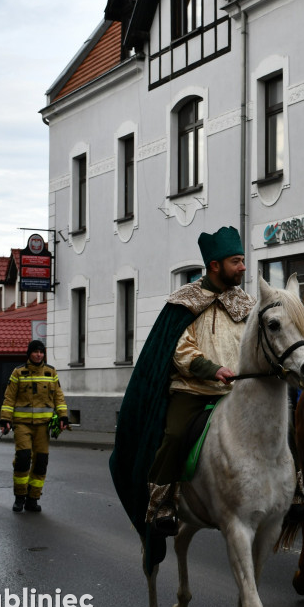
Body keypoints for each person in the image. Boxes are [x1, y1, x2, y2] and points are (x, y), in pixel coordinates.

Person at [110, 226, 257, 537]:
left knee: (279, 425)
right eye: (236, 261)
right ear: (215, 265)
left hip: (237, 392)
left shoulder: (245, 303)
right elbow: (181, 351)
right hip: (193, 391)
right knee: (175, 436)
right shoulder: (183, 303)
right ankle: (162, 503)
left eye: (243, 260)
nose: (243, 267)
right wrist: (212, 369)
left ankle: (293, 490)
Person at [0, 340, 69, 513]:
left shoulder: (50, 372)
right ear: (29, 353)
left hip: (43, 426)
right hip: (22, 424)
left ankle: (33, 498)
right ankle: (19, 497)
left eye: (41, 352)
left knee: (41, 462)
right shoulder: (18, 372)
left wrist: (63, 416)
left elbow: (59, 397)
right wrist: (5, 419)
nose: (38, 354)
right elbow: (9, 398)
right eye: (35, 351)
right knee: (23, 458)